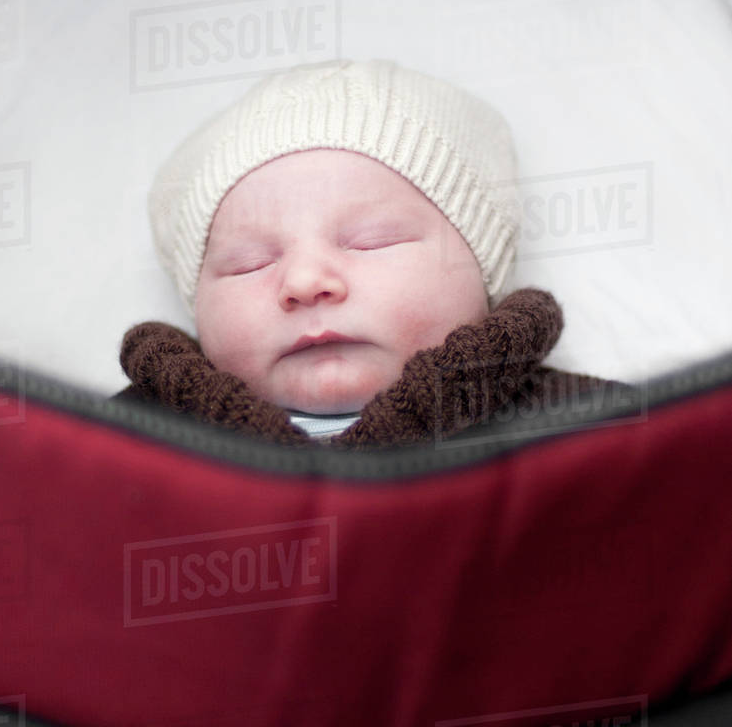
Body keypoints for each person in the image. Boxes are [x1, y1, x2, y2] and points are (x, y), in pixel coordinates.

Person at [111, 59, 632, 448]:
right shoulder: (125, 445)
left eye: (372, 242)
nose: (306, 280)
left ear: (480, 266)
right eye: (251, 262)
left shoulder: (587, 431)